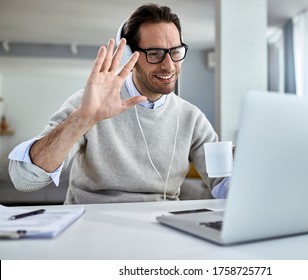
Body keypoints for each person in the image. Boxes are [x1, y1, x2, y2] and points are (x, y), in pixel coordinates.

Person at [8, 4, 229, 204]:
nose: (169, 65)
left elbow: (224, 186)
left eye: (175, 52)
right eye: (154, 53)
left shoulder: (192, 118)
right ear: (129, 57)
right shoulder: (90, 104)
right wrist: (82, 119)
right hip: (91, 227)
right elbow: (25, 180)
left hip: (163, 229)